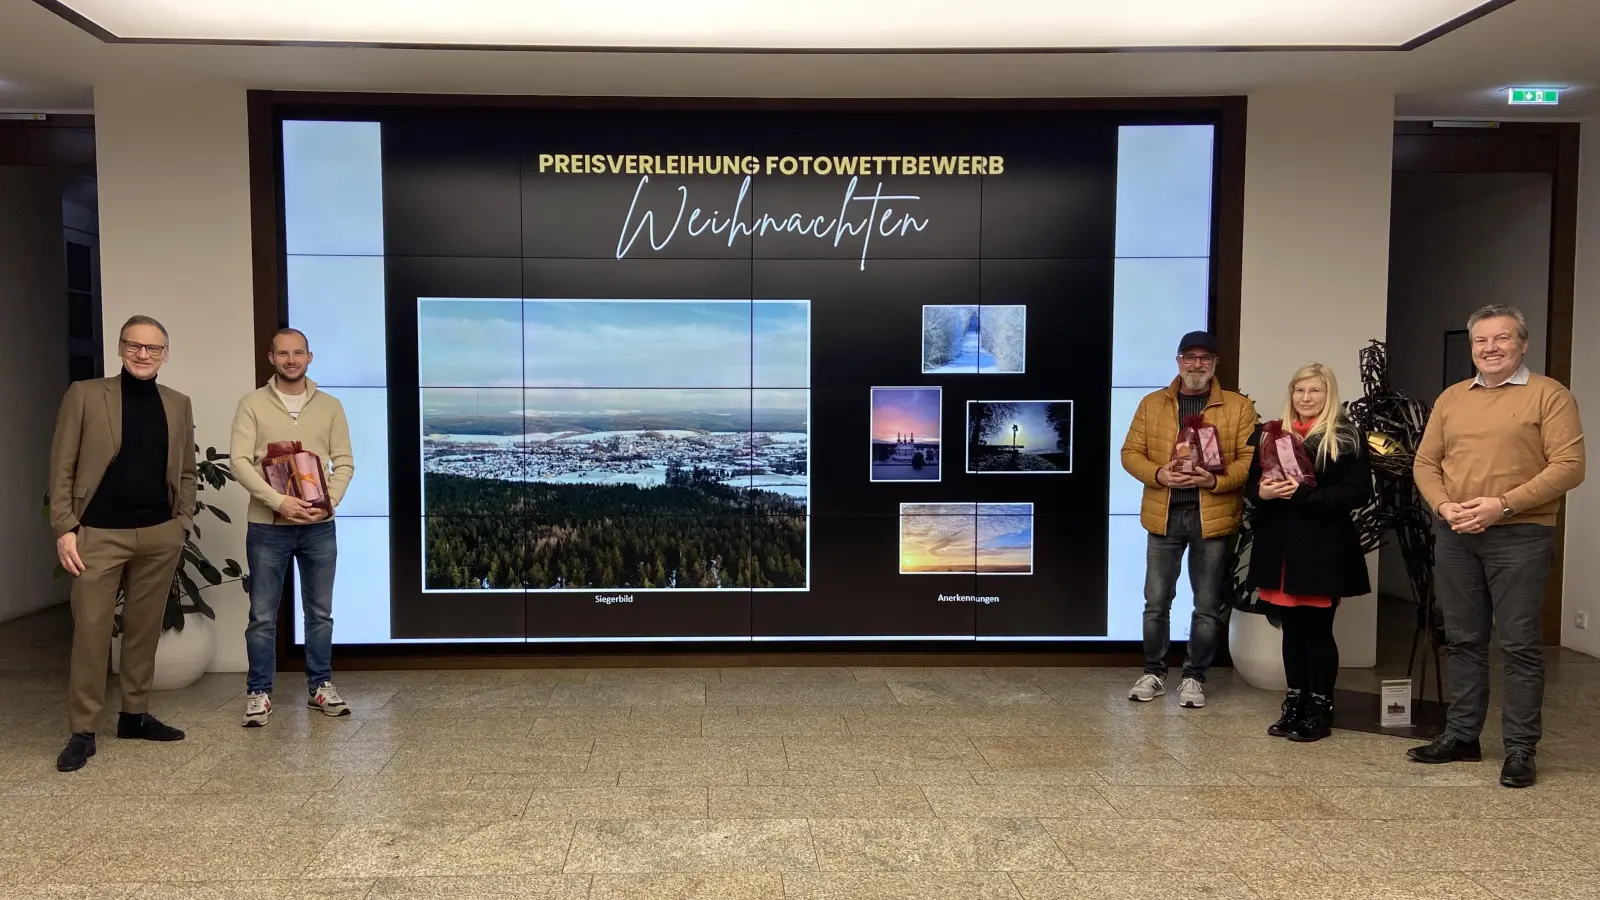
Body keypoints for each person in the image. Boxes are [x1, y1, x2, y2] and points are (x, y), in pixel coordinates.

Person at [1407, 304, 1585, 788]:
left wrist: (1502, 505)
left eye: (1502, 339)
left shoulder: (1549, 395)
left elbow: (1569, 466)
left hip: (1521, 535)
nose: (1490, 348)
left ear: (1522, 344)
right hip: (1456, 533)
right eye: (1481, 341)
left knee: (1520, 645)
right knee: (1463, 641)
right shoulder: (1452, 398)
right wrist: (1445, 508)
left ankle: (1520, 749)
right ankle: (1462, 735)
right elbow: (1426, 464)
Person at [48, 315, 195, 772]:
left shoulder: (177, 403)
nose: (143, 354)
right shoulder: (86, 395)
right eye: (134, 345)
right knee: (91, 633)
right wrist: (65, 527)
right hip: (98, 534)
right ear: (120, 348)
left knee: (143, 630)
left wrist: (181, 524)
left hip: (158, 534)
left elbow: (187, 470)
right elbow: (61, 467)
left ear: (165, 354)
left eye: (153, 348)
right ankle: (83, 731)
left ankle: (134, 716)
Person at [1121, 331, 1258, 708]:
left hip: (1212, 519)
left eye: (1205, 357)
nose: (1197, 364)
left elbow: (1249, 462)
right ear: (1178, 361)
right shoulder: (1153, 404)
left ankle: (1195, 677)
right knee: (1156, 601)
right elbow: (1130, 452)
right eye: (1189, 356)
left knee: (1207, 604)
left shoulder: (1238, 407)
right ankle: (1153, 672)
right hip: (1164, 517)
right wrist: (1158, 474)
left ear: (1215, 363)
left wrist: (1214, 479)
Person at [229, 328, 356, 727]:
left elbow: (344, 462)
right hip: (268, 525)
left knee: (320, 613)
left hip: (319, 526)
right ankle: (258, 693)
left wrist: (328, 502)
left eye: (297, 353)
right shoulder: (251, 404)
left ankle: (321, 686)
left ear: (310, 357)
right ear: (271, 358)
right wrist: (279, 501)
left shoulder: (331, 406)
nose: (290, 360)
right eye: (283, 353)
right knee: (263, 615)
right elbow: (239, 463)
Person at [1245, 363, 1371, 742]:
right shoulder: (1272, 434)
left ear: (1328, 394)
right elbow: (1252, 487)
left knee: (1317, 631)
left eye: (1314, 391)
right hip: (1280, 549)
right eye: (1300, 391)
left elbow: (1357, 493)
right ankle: (1294, 702)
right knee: (1290, 631)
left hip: (1321, 548)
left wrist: (1304, 495)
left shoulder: (1345, 437)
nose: (1306, 398)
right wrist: (1263, 493)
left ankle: (1319, 707)